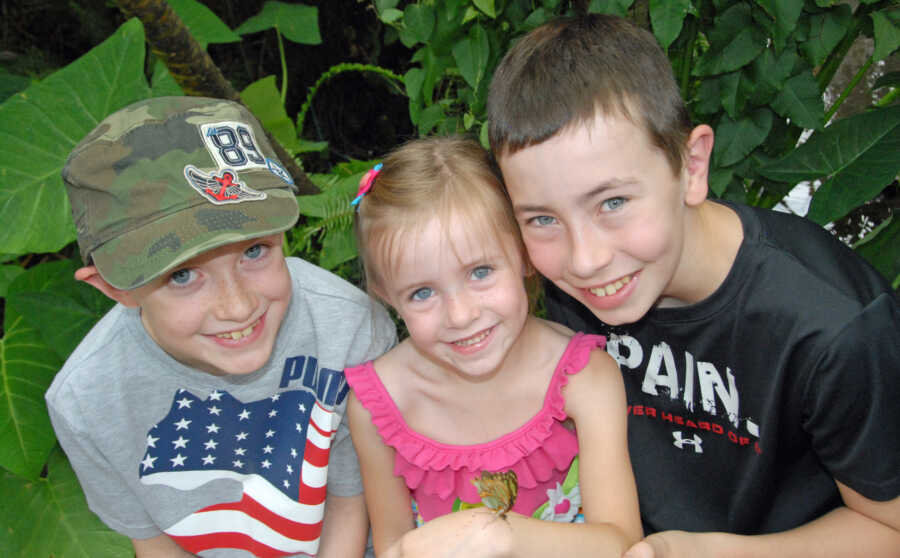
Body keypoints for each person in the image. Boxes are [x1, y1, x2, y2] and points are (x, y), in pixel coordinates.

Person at [486, 13, 900, 558]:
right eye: (541, 219)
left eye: (612, 203)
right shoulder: (564, 289)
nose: (585, 260)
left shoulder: (832, 326)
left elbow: (888, 528)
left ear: (692, 165)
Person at [45, 96, 396, 558]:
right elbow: (154, 544)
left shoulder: (349, 327)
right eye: (182, 275)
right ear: (114, 286)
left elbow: (350, 503)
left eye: (254, 252)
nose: (237, 307)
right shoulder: (86, 403)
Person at [344, 135, 642, 558]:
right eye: (422, 293)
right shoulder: (379, 408)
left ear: (523, 253)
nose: (461, 315)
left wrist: (503, 536)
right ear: (386, 294)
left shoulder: (584, 378)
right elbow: (396, 547)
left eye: (480, 271)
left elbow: (622, 543)